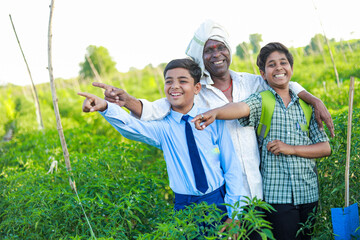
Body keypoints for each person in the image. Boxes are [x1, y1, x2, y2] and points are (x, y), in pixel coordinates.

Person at [93, 20, 334, 207]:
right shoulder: (198, 92)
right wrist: (126, 101)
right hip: (224, 192)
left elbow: (282, 82)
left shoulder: (250, 82)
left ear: (229, 51)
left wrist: (314, 99)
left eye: (221, 48)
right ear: (201, 58)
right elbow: (163, 105)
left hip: (262, 187)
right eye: (209, 50)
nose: (216, 54)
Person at [78, 58, 244, 237]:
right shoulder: (163, 128)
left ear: (197, 88)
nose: (174, 86)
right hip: (185, 206)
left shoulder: (212, 119)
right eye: (169, 81)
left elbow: (231, 167)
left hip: (217, 201)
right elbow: (130, 126)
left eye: (182, 81)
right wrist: (105, 107)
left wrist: (234, 213)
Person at [192, 42, 332, 240]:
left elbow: (325, 147)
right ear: (263, 74)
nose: (279, 68)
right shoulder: (262, 99)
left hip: (309, 193)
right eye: (271, 65)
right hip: (278, 197)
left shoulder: (306, 105)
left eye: (283, 62)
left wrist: (291, 149)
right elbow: (240, 108)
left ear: (291, 68)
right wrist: (215, 112)